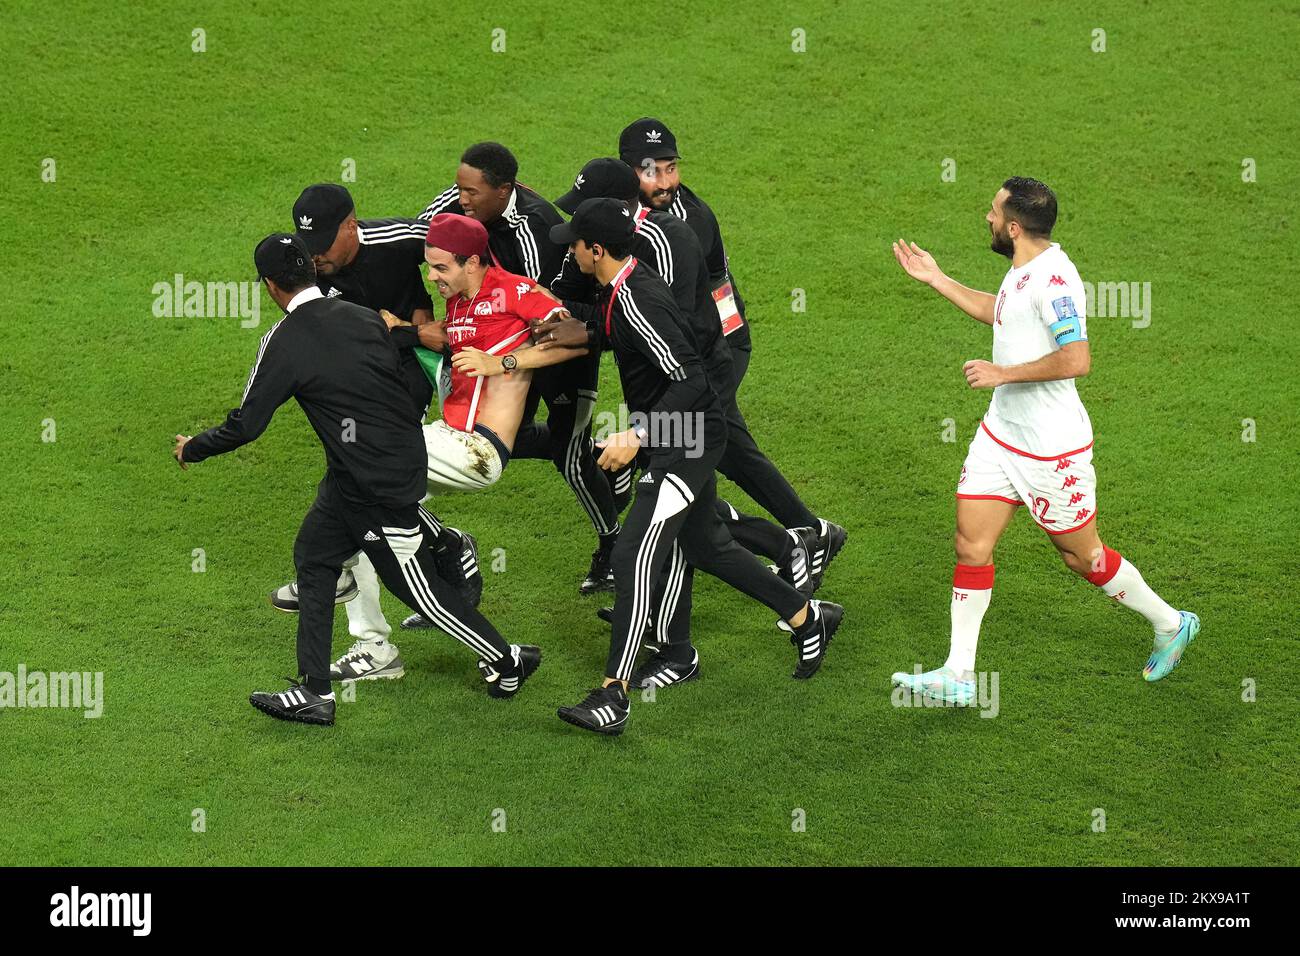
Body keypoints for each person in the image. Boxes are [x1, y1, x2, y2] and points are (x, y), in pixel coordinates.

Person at [501, 199, 843, 736]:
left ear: (597, 250)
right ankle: (807, 616)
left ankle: (613, 693)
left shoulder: (637, 298)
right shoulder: (622, 289)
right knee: (705, 543)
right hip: (675, 435)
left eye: (575, 243)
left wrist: (637, 436)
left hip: (689, 438)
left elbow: (690, 380)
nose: (568, 250)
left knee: (635, 551)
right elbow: (637, 341)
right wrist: (586, 328)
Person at [172, 234, 540, 725]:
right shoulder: (364, 316)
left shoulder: (284, 339)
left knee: (416, 589)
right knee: (315, 557)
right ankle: (315, 691)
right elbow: (401, 378)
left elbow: (247, 424)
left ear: (268, 286)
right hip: (366, 469)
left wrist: (192, 448)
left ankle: (507, 657)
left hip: (375, 482)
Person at [889, 177, 1199, 705]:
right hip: (1000, 436)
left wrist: (1001, 374)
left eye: (992, 212)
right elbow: (1004, 310)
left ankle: (1172, 622)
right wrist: (937, 279)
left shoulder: (1054, 280)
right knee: (971, 543)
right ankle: (959, 674)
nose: (986, 218)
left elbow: (1077, 359)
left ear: (1013, 226)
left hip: (1052, 451)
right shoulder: (1023, 268)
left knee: (1082, 558)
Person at [267, 185, 481, 687]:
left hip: (401, 380)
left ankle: (369, 635)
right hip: (353, 385)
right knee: (362, 495)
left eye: (322, 242)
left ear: (351, 226)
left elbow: (462, 255)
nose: (313, 256)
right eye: (305, 243)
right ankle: (442, 545)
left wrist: (412, 328)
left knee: (361, 493)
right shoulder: (308, 271)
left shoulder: (402, 240)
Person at [618, 118, 846, 582]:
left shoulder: (685, 223)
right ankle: (805, 534)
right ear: (628, 171)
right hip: (688, 347)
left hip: (716, 344)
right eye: (650, 171)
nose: (663, 182)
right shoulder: (627, 214)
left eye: (670, 168)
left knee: (681, 447)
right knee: (708, 449)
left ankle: (788, 544)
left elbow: (689, 311)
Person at [419, 143, 621, 593]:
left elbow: (546, 314)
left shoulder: (536, 227)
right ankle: (613, 455)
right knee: (500, 431)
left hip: (559, 342)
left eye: (471, 193)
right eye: (459, 189)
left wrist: (493, 352)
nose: (461, 200)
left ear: (504, 190)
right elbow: (426, 238)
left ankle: (612, 545)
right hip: (502, 344)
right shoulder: (454, 206)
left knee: (569, 454)